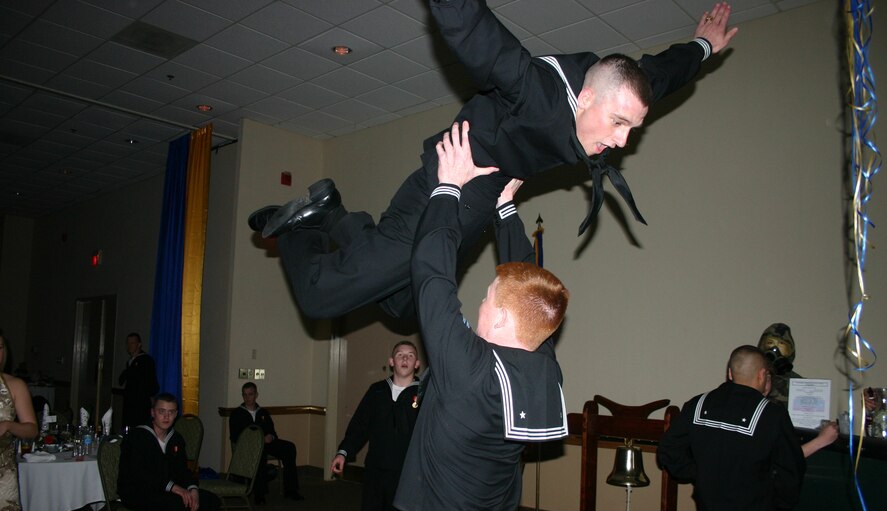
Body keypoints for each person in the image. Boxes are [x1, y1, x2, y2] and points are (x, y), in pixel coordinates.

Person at [248, 2, 738, 321]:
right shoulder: (534, 90)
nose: (622, 141)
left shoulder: (607, 95)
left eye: (631, 128)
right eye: (617, 123)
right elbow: (472, 30)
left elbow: (658, 73)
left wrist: (703, 47)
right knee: (318, 299)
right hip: (440, 195)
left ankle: (334, 213)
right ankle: (300, 226)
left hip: (472, 211)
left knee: (403, 309)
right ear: (585, 97)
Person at [390, 122, 569, 511]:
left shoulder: (469, 368)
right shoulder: (542, 364)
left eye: (490, 296)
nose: (482, 301)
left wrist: (448, 185)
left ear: (505, 322)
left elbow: (432, 275)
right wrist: (506, 210)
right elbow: (529, 286)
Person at [658, 345, 806, 511]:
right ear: (762, 376)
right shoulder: (771, 414)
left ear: (730, 373)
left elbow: (668, 451)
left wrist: (698, 474)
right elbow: (791, 471)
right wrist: (776, 500)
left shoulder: (698, 404)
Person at [330, 341, 422, 511]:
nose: (404, 359)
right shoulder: (376, 391)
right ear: (391, 362)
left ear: (417, 364)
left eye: (410, 355)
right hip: (376, 473)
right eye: (399, 355)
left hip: (408, 477)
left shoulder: (424, 395)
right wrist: (343, 451)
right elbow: (359, 426)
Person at [118, 393, 220, 511]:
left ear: (176, 414)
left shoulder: (176, 439)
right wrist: (176, 489)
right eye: (161, 412)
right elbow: (141, 474)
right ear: (152, 413)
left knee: (211, 502)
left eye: (171, 412)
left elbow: (182, 470)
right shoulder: (138, 436)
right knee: (175, 505)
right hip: (137, 491)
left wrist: (192, 489)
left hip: (164, 490)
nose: (166, 417)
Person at [756, 323, 838, 456]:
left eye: (781, 345)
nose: (775, 350)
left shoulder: (801, 386)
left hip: (792, 448)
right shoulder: (750, 380)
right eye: (770, 343)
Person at [0, 334, 37, 511]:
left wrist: (10, 425)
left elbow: (32, 430)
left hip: (3, 481)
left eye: (0, 347)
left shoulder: (14, 385)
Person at [229, 382, 303, 503]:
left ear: (256, 395)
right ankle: (260, 493)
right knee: (260, 452)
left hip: (266, 443)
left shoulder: (263, 413)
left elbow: (272, 431)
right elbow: (235, 436)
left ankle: (291, 490)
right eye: (245, 395)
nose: (248, 398)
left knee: (289, 447)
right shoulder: (237, 414)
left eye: (250, 394)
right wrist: (257, 440)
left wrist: (271, 437)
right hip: (248, 446)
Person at [118, 332, 159, 432]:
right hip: (130, 401)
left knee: (139, 428)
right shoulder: (131, 361)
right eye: (128, 343)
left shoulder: (145, 360)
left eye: (132, 343)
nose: (129, 346)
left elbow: (150, 383)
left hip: (140, 402)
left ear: (139, 344)